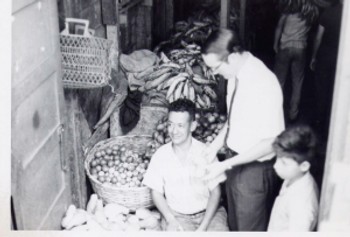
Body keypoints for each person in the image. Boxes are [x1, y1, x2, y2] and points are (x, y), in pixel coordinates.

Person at [200, 28, 285, 231]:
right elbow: (232, 121)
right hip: (235, 165)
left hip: (254, 171)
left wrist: (226, 164)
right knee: (234, 226)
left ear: (234, 56)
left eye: (215, 67)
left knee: (249, 229)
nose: (214, 73)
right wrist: (214, 147)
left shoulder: (263, 82)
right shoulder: (234, 75)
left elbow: (272, 141)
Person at [142, 99, 229, 231]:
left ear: (193, 126)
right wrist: (170, 219)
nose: (174, 131)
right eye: (170, 124)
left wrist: (203, 228)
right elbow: (156, 192)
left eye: (180, 125)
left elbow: (216, 192)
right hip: (177, 216)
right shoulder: (161, 155)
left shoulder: (205, 152)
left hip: (210, 214)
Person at [273, 0, 319, 122]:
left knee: (279, 81)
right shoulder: (312, 12)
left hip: (285, 48)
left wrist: (275, 44)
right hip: (300, 49)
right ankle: (293, 113)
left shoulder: (288, 8)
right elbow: (312, 32)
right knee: (297, 82)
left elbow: (279, 27)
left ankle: (275, 111)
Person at [268, 125, 319, 231]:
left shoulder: (302, 205)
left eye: (284, 163)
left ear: (304, 166)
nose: (275, 166)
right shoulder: (294, 177)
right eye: (277, 159)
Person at [310, 0, 343, 139]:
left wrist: (313, 57)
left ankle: (319, 123)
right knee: (336, 91)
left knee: (321, 90)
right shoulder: (346, 14)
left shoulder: (328, 12)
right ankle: (332, 124)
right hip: (340, 58)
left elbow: (318, 38)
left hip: (324, 56)